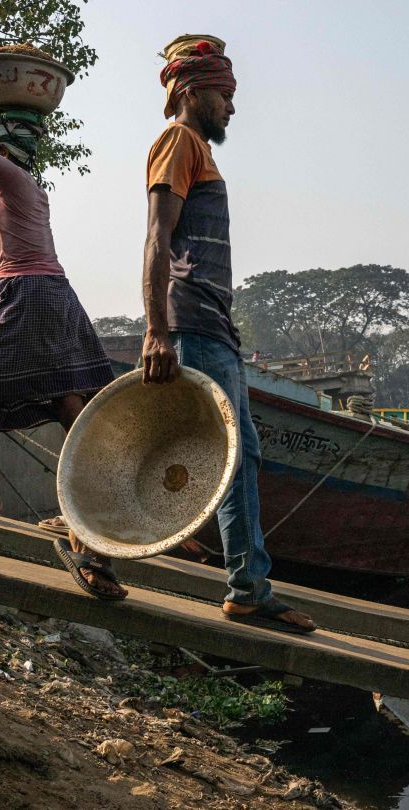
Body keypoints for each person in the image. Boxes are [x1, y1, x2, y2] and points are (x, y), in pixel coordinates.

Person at [0, 50, 124, 601]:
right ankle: (86, 513)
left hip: (30, 292)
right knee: (66, 401)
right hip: (51, 293)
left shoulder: (9, 177)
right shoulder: (15, 180)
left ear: (4, 147)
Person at [142, 34, 313, 634]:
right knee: (209, 453)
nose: (232, 108)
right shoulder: (178, 140)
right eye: (225, 95)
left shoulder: (198, 151)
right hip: (191, 325)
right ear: (192, 92)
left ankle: (246, 585)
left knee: (243, 457)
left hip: (216, 326)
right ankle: (98, 544)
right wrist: (158, 332)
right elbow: (157, 240)